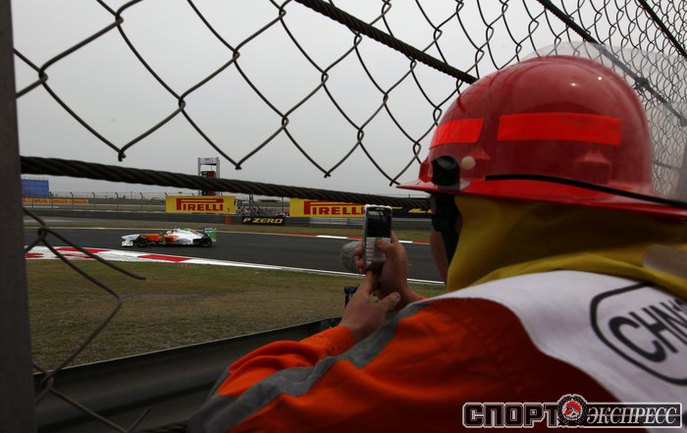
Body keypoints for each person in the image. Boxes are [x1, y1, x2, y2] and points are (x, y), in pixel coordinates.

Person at [188, 55, 687, 432]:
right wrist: (410, 301)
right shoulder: (666, 286)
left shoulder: (475, 341)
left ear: (461, 212)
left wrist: (346, 332)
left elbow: (230, 418)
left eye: (435, 208)